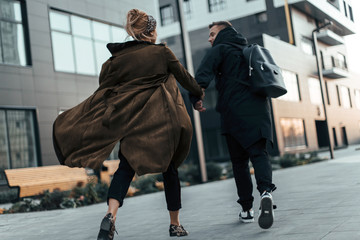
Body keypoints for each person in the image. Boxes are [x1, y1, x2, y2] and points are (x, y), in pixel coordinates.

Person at [52, 9, 204, 240]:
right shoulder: (162, 53)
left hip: (133, 124)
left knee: (125, 169)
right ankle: (175, 225)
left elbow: (106, 87)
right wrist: (198, 95)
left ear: (133, 32)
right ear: (151, 31)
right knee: (169, 170)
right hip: (163, 122)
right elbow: (185, 78)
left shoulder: (117, 59)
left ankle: (111, 215)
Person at [190, 21, 276, 229]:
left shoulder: (220, 49)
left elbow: (203, 74)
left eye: (212, 34)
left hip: (234, 112)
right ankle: (266, 192)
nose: (210, 38)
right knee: (259, 154)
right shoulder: (248, 49)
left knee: (240, 164)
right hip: (259, 110)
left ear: (222, 33)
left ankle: (247, 210)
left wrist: (196, 97)